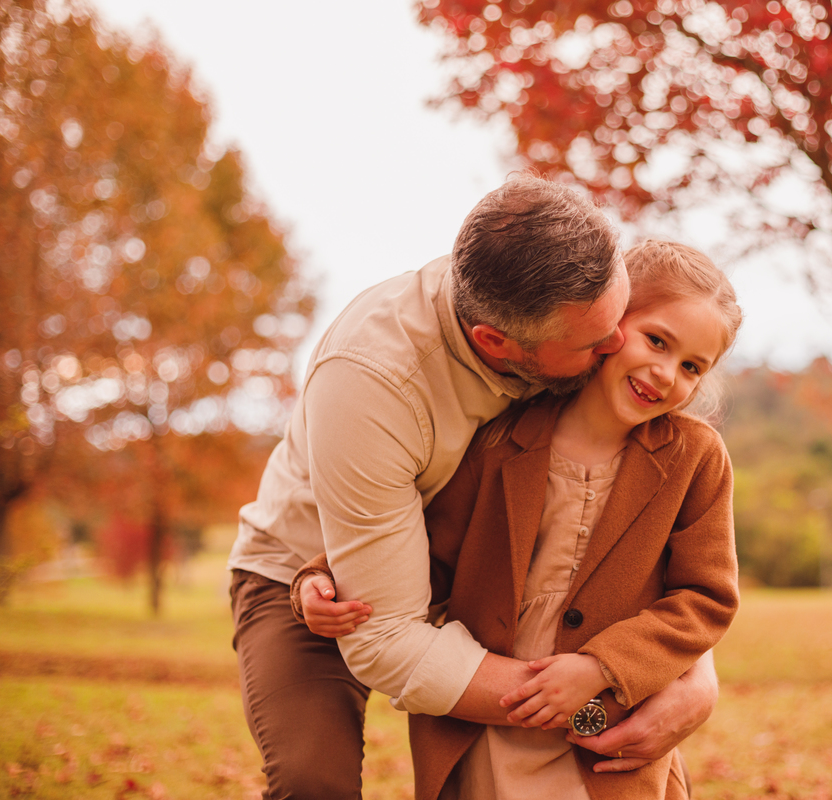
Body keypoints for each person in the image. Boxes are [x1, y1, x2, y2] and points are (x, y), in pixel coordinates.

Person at [228, 176, 720, 799]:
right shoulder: (372, 384)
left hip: (482, 587)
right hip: (317, 578)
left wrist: (689, 679)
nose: (618, 344)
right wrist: (597, 706)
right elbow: (387, 637)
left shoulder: (560, 301)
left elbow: (667, 568)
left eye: (621, 319)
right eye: (597, 343)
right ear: (497, 343)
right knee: (313, 782)